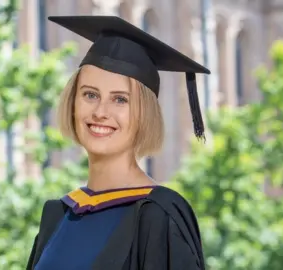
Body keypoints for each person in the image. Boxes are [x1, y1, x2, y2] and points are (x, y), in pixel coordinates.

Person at [26, 15, 210, 270]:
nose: (100, 111)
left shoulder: (160, 215)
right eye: (90, 94)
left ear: (144, 113)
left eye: (120, 99)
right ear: (72, 102)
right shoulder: (57, 215)